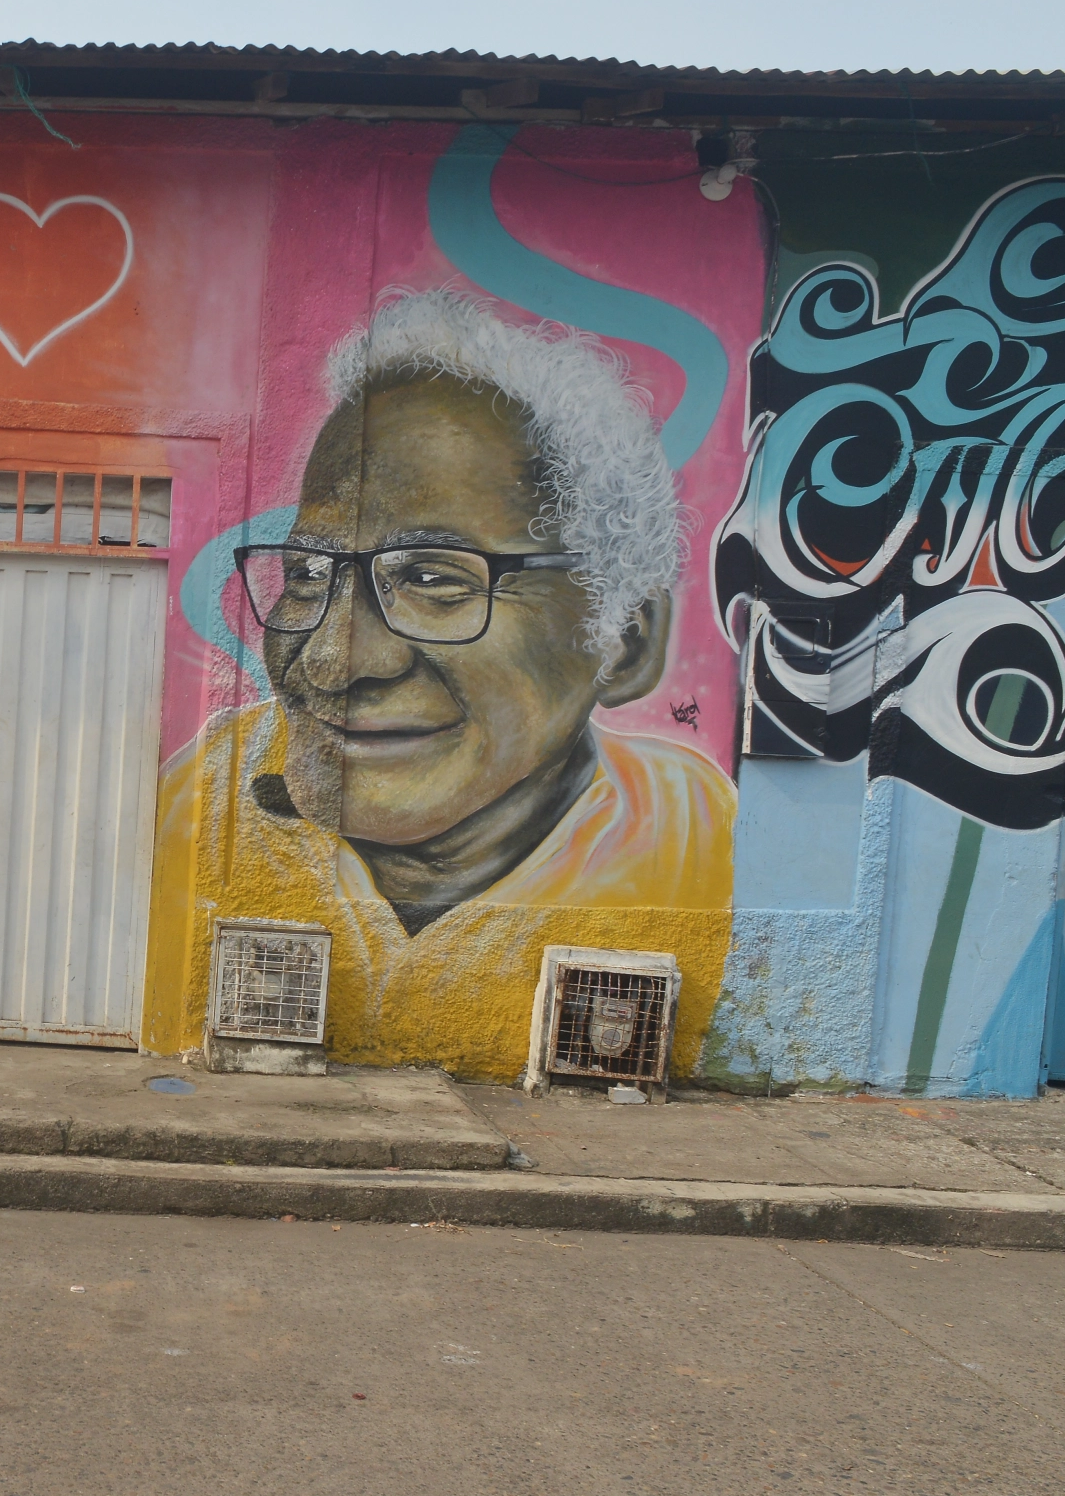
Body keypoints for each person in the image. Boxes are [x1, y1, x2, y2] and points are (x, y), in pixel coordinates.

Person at [143, 289, 734, 1078]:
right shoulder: (205, 797)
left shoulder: (695, 836)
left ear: (621, 641)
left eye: (432, 579)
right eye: (309, 574)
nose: (330, 662)